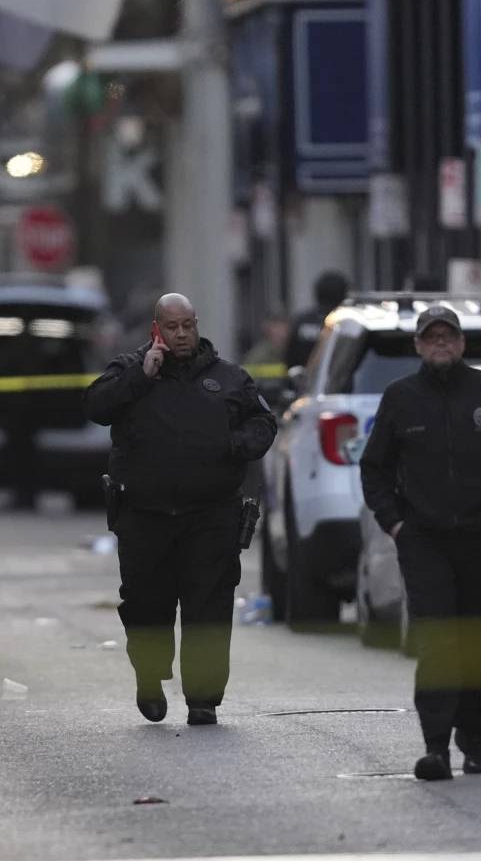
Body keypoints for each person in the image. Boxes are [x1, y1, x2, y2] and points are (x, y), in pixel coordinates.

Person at [84, 293, 277, 726]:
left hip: (211, 515)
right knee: (146, 606)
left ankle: (203, 698)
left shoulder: (228, 378)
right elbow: (96, 406)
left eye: (188, 324)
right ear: (157, 330)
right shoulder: (131, 370)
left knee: (208, 608)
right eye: (172, 327)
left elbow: (263, 421)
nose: (182, 334)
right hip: (145, 515)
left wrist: (237, 446)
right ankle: (150, 679)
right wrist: (140, 376)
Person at [359, 305, 481, 780]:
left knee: (474, 643)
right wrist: (396, 525)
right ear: (418, 345)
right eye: (431, 337)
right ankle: (435, 747)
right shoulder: (400, 397)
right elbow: (374, 469)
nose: (440, 344)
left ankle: (474, 741)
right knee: (438, 641)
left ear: (461, 343)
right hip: (424, 541)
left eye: (448, 337)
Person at [285, 270, 349, 372]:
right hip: (340, 383)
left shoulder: (302, 321)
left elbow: (290, 358)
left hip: (305, 383)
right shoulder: (347, 323)